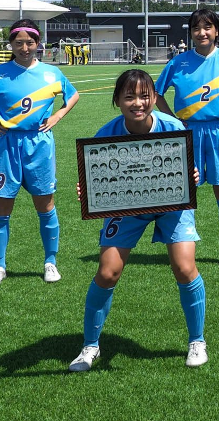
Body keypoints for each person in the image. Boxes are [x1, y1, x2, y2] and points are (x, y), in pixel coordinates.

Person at [68, 70, 207, 371]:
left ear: (155, 98)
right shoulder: (106, 134)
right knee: (108, 273)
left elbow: (191, 169)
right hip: (127, 206)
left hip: (172, 204)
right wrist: (88, 188)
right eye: (129, 96)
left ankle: (197, 340)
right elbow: (94, 177)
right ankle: (90, 346)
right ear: (117, 99)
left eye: (145, 96)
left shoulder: (173, 128)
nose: (138, 103)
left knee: (184, 267)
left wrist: (193, 175)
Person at [0, 18, 80, 287]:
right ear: (11, 44)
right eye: (19, 43)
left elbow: (72, 95)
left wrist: (59, 115)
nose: (25, 48)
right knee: (1, 206)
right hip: (7, 145)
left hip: (40, 145)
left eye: (30, 42)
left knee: (45, 204)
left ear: (38, 44)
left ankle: (50, 262)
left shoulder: (52, 73)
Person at [155, 8, 219, 269]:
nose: (202, 33)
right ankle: (183, 247)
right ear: (190, 33)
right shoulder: (178, 62)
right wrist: (173, 121)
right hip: (188, 133)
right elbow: (157, 94)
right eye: (196, 28)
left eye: (207, 27)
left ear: (217, 31)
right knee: (185, 191)